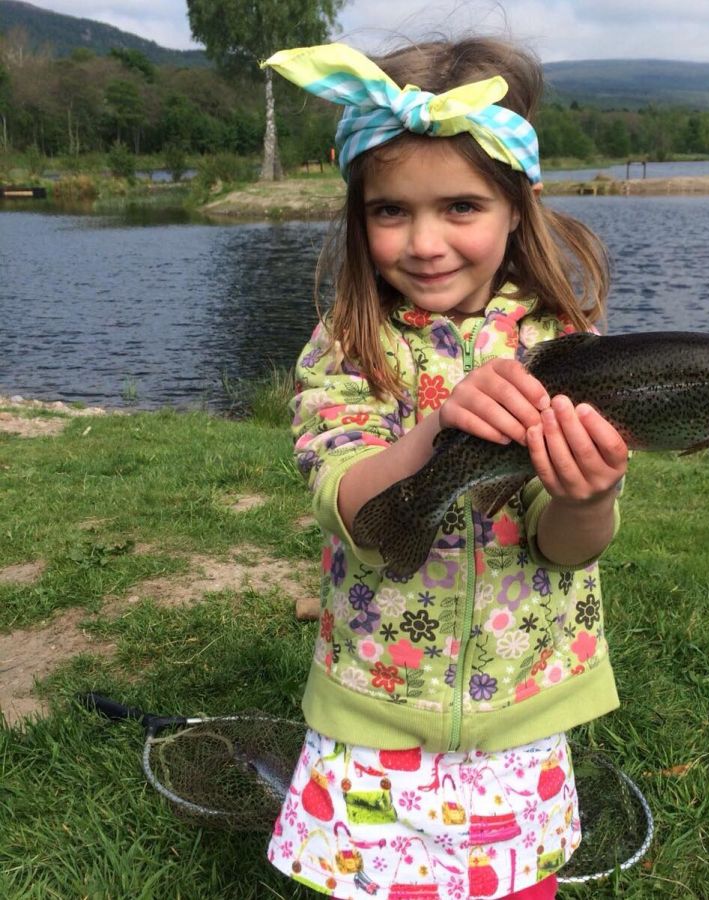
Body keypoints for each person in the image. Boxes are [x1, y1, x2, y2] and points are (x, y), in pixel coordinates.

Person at [262, 36, 629, 900]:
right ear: (359, 216)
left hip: (524, 709)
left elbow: (567, 548)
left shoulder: (567, 353)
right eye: (391, 211)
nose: (424, 243)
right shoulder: (346, 346)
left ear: (516, 206)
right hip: (374, 703)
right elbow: (346, 499)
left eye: (460, 207)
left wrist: (592, 495)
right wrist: (436, 430)